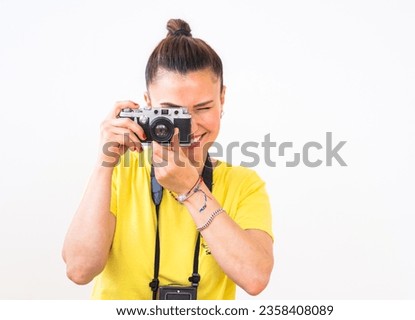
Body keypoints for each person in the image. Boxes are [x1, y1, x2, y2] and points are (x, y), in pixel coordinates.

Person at [62, 18, 274, 300]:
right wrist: (105, 163)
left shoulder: (243, 184)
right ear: (148, 104)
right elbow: (79, 270)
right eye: (172, 112)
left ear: (222, 98)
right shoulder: (120, 173)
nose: (189, 126)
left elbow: (255, 278)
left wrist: (191, 189)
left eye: (203, 107)